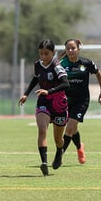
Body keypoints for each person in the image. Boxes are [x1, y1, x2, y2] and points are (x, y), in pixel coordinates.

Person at [19, 39, 70, 176]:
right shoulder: (38, 65)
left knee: (58, 140)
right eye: (41, 54)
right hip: (43, 101)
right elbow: (36, 78)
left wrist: (49, 91)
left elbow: (66, 84)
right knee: (42, 130)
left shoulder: (57, 66)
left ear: (53, 53)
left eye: (46, 54)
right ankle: (44, 163)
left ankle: (59, 151)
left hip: (59, 103)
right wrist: (26, 94)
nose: (43, 57)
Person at [59, 39, 101, 164]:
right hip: (66, 100)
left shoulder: (86, 63)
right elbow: (54, 69)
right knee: (73, 128)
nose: (70, 51)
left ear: (78, 49)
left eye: (73, 48)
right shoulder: (62, 63)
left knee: (69, 128)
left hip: (82, 101)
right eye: (68, 48)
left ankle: (59, 155)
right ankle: (80, 147)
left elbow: (98, 73)